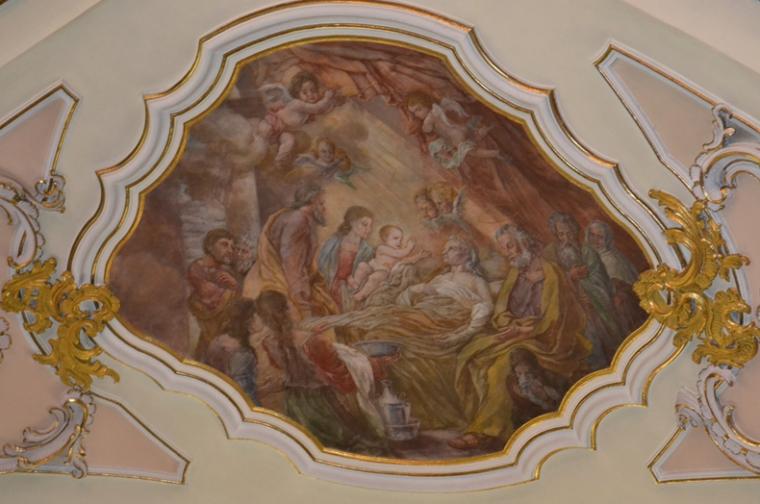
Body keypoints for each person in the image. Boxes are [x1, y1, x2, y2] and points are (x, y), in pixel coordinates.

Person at [307, 235, 494, 432]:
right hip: (421, 312)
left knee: (386, 326)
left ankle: (337, 327)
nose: (444, 252)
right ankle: (334, 324)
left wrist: (464, 332)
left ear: (466, 253)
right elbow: (405, 301)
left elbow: (486, 307)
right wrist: (414, 290)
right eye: (445, 248)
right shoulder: (440, 278)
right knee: (385, 318)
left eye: (451, 248)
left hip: (445, 319)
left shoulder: (476, 281)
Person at [451, 224, 590, 450]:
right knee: (470, 353)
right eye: (503, 249)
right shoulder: (516, 273)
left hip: (546, 340)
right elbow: (501, 311)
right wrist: (511, 325)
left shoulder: (551, 272)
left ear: (525, 244)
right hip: (516, 333)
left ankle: (486, 431)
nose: (507, 253)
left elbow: (556, 317)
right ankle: (472, 419)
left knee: (497, 368)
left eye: (510, 246)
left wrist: (527, 330)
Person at [253, 290, 388, 454]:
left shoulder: (268, 343)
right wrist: (370, 366)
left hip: (295, 404)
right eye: (290, 305)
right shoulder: (313, 341)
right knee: (349, 441)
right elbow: (340, 375)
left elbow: (284, 363)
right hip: (321, 404)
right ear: (286, 311)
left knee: (308, 445)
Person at [243, 184, 336, 320]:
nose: (324, 208)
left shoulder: (296, 217)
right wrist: (299, 294)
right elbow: (291, 259)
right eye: (321, 203)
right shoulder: (298, 220)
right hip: (281, 285)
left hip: (277, 280)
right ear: (312, 200)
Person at [544, 213, 624, 369]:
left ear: (575, 231)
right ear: (556, 235)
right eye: (561, 234)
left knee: (600, 333)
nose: (566, 238)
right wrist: (569, 277)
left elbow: (600, 278)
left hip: (593, 305)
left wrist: (589, 293)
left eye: (569, 233)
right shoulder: (550, 254)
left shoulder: (587, 251)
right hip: (567, 308)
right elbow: (549, 283)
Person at [188, 229, 251, 360]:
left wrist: (237, 283)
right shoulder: (197, 269)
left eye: (231, 246)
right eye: (224, 244)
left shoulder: (225, 269)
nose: (229, 250)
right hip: (213, 330)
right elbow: (212, 301)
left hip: (225, 331)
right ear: (210, 246)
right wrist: (236, 288)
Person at [406, 91, 501, 172]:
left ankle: (495, 153)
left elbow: (426, 130)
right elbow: (449, 103)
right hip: (460, 129)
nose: (416, 114)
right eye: (413, 112)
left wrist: (415, 122)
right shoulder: (438, 108)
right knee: (471, 138)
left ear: (426, 104)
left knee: (471, 152)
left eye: (418, 109)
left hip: (454, 136)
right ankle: (484, 131)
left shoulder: (428, 119)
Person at [256, 71, 336, 166]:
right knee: (262, 137)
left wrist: (331, 101)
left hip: (281, 132)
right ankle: (256, 153)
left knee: (290, 141)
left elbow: (322, 110)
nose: (310, 94)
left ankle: (279, 161)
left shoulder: (306, 110)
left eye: (313, 90)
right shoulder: (297, 104)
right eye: (304, 92)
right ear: (297, 94)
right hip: (273, 123)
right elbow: (317, 108)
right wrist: (327, 98)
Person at [585, 219, 647, 335]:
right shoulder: (587, 256)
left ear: (607, 240)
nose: (595, 240)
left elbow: (616, 288)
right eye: (592, 235)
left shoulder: (612, 259)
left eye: (600, 237)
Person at [350, 225, 428, 303]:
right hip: (373, 266)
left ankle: (362, 294)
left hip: (383, 271)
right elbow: (398, 254)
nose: (399, 242)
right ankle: (355, 284)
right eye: (395, 238)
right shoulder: (382, 248)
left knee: (376, 277)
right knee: (362, 266)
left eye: (400, 239)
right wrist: (409, 248)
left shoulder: (397, 252)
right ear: (385, 239)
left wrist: (418, 256)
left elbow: (406, 260)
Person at [317, 206, 375, 311]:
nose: (368, 230)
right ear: (352, 222)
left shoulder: (367, 250)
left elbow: (366, 277)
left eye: (370, 226)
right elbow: (321, 266)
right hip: (329, 285)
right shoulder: (333, 242)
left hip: (351, 290)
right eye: (364, 224)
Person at [206, 298, 260, 405]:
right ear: (247, 321)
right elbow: (243, 391)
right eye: (254, 316)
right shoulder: (242, 353)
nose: (256, 320)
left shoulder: (217, 341)